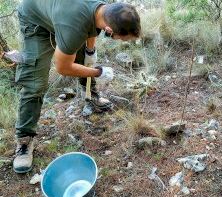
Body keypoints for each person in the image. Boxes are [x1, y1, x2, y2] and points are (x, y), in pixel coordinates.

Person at [13, 0, 141, 173]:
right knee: (34, 83)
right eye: (121, 39)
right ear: (109, 30)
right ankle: (24, 140)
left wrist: (90, 51)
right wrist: (98, 72)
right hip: (35, 20)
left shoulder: (101, 10)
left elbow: (90, 24)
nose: (120, 41)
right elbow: (62, 68)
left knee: (83, 54)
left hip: (62, 15)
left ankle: (90, 96)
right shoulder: (74, 27)